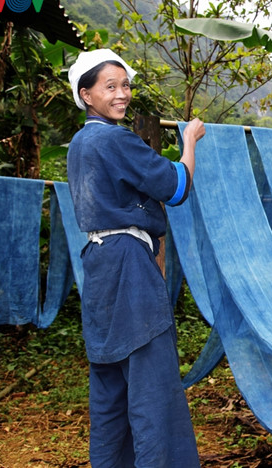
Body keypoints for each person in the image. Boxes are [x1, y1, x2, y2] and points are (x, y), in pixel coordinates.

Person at [66, 48, 205, 467]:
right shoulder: (113, 138)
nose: (122, 93)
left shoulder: (78, 144)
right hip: (129, 265)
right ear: (86, 95)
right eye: (110, 86)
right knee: (152, 387)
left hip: (98, 263)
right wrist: (188, 140)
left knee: (110, 389)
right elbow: (177, 186)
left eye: (125, 85)